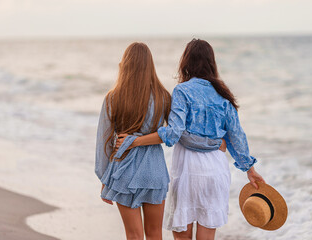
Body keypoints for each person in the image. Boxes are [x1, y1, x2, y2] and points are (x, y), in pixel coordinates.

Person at [117, 39, 265, 240]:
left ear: (186, 62)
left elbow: (174, 134)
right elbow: (237, 136)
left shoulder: (182, 91)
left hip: (189, 169)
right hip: (216, 170)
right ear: (212, 63)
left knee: (182, 236)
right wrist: (250, 169)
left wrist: (135, 140)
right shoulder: (223, 94)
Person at [95, 42, 224, 240]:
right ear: (150, 66)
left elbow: (103, 142)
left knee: (133, 235)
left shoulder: (112, 98)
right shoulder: (163, 97)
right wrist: (214, 142)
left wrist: (105, 178)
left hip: (123, 172)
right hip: (154, 171)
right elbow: (176, 133)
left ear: (125, 64)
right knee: (155, 234)